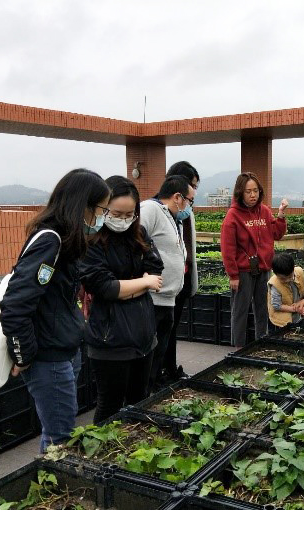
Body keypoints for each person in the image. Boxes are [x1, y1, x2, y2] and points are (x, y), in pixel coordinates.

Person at [0, 168, 110, 452]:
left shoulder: (64, 241)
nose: (102, 218)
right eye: (101, 210)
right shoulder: (51, 241)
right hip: (48, 355)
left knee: (59, 433)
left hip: (63, 348)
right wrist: (23, 354)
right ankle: (51, 480)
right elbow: (15, 304)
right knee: (59, 439)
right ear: (83, 206)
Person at [80, 176, 164, 423]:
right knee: (110, 405)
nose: (124, 220)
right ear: (103, 208)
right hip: (110, 338)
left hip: (143, 334)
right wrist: (143, 283)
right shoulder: (92, 240)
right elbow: (104, 287)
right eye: (117, 214)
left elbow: (155, 269)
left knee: (140, 400)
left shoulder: (139, 234)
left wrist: (127, 288)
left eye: (130, 215)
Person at [139, 175, 196, 392]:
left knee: (159, 354)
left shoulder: (172, 217)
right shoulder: (150, 210)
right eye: (189, 201)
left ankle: (151, 392)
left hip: (169, 298)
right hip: (152, 298)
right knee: (148, 356)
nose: (189, 206)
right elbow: (135, 240)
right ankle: (142, 396)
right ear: (177, 197)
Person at [220, 172, 288, 347]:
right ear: (240, 192)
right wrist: (233, 275)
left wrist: (280, 215)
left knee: (262, 308)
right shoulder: (233, 216)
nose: (253, 195)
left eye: (256, 191)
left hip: (263, 268)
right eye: (248, 191)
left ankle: (261, 344)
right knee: (240, 310)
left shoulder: (264, 211)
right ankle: (238, 348)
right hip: (243, 271)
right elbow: (228, 248)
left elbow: (277, 234)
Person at [161, 161, 200, 383]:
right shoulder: (158, 211)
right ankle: (160, 373)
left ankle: (171, 369)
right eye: (191, 186)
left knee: (173, 327)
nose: (193, 191)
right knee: (164, 329)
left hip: (183, 278)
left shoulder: (186, 212)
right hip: (165, 284)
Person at [267, 252, 304, 328]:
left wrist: (300, 305)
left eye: (289, 276)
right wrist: (295, 309)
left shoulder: (299, 273)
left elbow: (303, 290)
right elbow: (277, 306)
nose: (287, 280)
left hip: (297, 314)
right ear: (275, 273)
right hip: (282, 320)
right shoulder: (275, 284)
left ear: (293, 269)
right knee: (287, 333)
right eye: (282, 278)